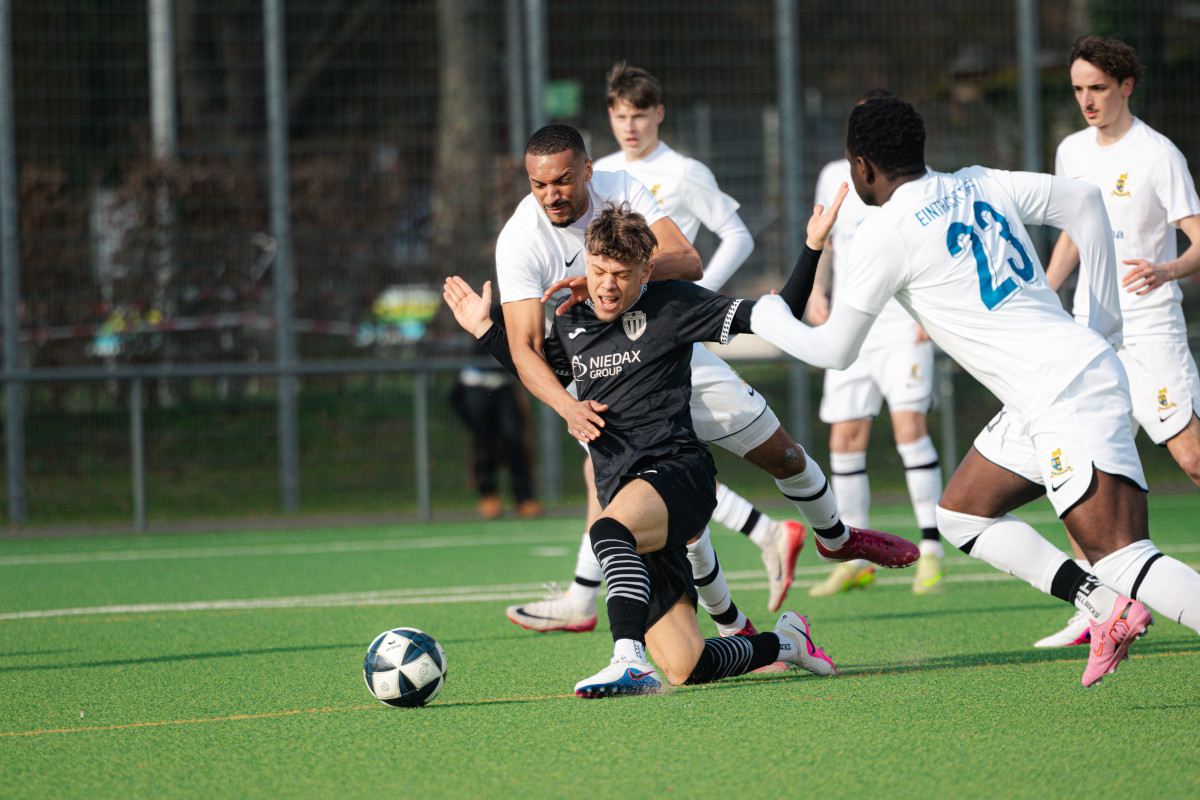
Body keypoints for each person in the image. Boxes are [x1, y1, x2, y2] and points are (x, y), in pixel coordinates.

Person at [750, 96, 1200, 687]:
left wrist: (763, 317)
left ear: (861, 167)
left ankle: (1113, 594)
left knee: (1123, 557)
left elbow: (834, 350)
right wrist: (1101, 323)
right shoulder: (980, 180)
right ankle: (1100, 606)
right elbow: (1086, 201)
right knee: (963, 515)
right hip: (1047, 392)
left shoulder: (889, 232)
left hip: (1065, 392)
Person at [496, 124, 918, 646]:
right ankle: (724, 625)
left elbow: (693, 262)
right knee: (668, 513)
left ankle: (834, 538)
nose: (549, 196)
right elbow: (525, 349)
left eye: (561, 181)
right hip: (611, 389)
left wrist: (612, 277)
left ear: (587, 170)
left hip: (670, 346)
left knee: (783, 456)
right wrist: (565, 406)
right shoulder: (520, 239)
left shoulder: (625, 194)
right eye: (538, 185)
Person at [444, 199, 857, 695]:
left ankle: (627, 658)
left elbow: (779, 314)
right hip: (626, 490)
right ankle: (788, 643)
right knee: (688, 666)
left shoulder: (675, 304)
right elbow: (539, 374)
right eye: (598, 270)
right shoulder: (572, 322)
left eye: (621, 274)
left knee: (608, 531)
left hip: (678, 472)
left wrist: (812, 247)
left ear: (645, 272)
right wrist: (486, 330)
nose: (606, 285)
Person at [593, 62, 807, 606]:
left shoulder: (684, 171)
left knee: (639, 457)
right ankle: (757, 553)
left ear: (658, 114)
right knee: (638, 458)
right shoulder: (603, 175)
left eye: (640, 115)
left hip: (669, 338)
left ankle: (582, 595)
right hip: (622, 340)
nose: (631, 126)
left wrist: (695, 299)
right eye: (621, 116)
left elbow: (735, 235)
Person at [1032, 35, 1200, 648]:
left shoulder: (1159, 155)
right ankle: (1101, 607)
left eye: (1097, 88)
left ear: (1126, 86)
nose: (1087, 101)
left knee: (1191, 459)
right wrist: (1047, 289)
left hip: (1150, 330)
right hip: (1089, 333)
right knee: (1084, 470)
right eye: (1078, 90)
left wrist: (1167, 270)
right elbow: (1074, 233)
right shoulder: (1071, 151)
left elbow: (1197, 240)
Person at [806, 90, 946, 597]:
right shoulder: (832, 176)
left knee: (909, 427)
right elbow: (823, 241)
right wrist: (817, 293)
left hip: (901, 324)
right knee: (844, 437)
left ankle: (931, 548)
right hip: (851, 325)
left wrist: (930, 313)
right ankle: (857, 554)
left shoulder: (913, 179)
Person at [449, 301, 542, 520]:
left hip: (501, 387)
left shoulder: (519, 312)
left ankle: (524, 498)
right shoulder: (496, 314)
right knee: (484, 443)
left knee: (514, 441)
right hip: (477, 388)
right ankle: (488, 495)